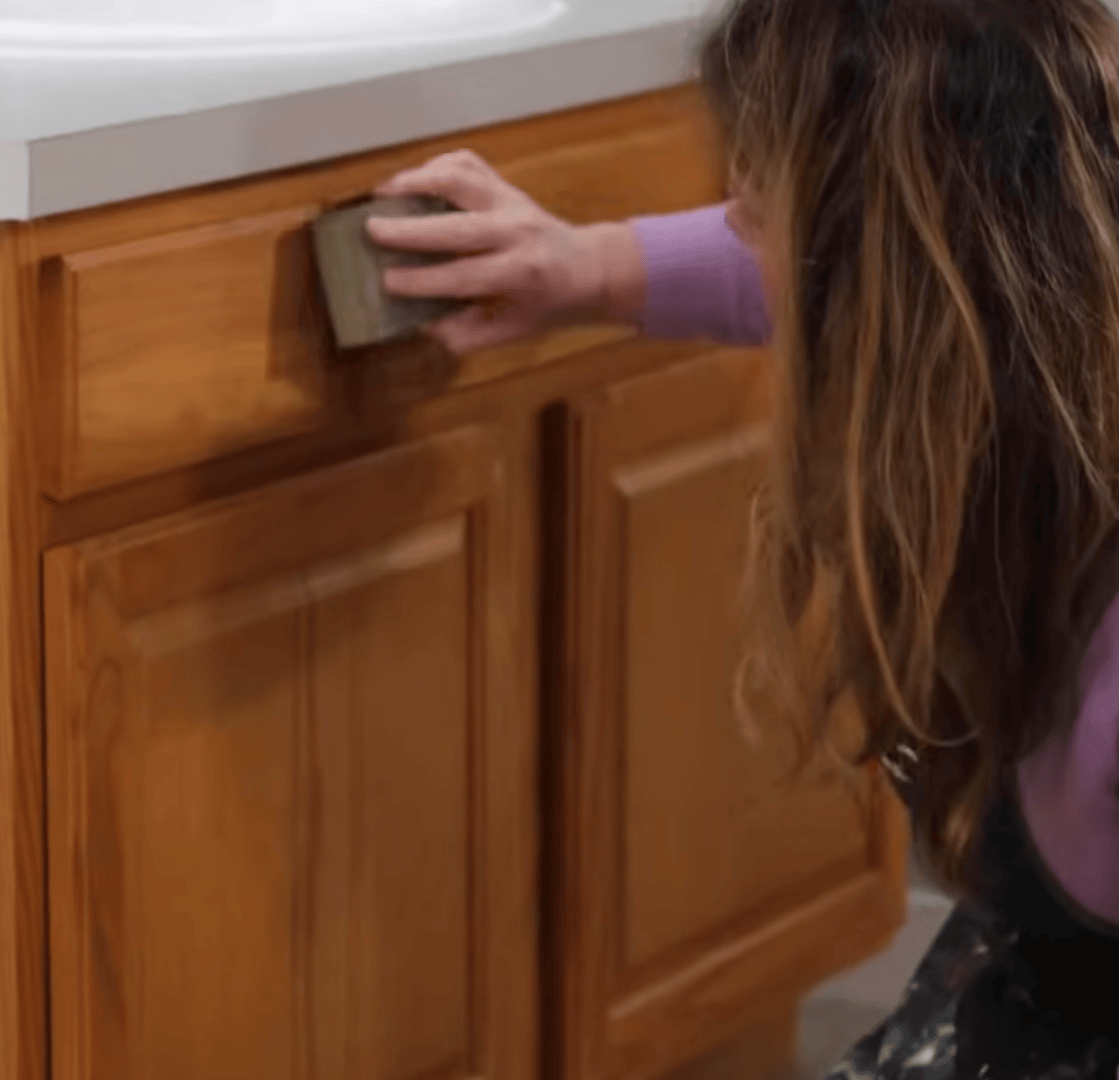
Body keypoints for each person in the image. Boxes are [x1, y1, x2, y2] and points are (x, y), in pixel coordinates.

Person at [367, 0, 1119, 1075]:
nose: (735, 226)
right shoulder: (1061, 292)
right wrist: (582, 265)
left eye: (758, 207)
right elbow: (843, 259)